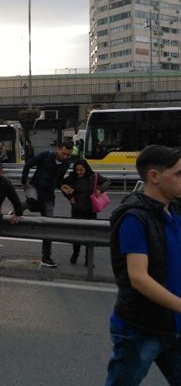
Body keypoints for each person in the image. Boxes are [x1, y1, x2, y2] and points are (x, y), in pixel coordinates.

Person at [105, 145, 181, 385]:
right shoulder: (134, 218)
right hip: (141, 329)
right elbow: (139, 278)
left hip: (174, 326)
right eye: (178, 174)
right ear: (154, 176)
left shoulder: (173, 212)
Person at [21, 141, 73, 268]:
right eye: (63, 153)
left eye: (68, 155)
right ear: (58, 149)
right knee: (32, 201)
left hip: (48, 195)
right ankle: (17, 210)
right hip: (34, 187)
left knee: (48, 227)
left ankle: (46, 257)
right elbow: (28, 164)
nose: (65, 156)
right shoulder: (46, 155)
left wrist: (62, 187)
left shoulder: (66, 164)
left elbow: (58, 180)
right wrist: (24, 182)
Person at [60, 159, 110, 265]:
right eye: (77, 170)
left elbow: (107, 181)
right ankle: (75, 254)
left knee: (90, 236)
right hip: (77, 210)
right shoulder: (72, 177)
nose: (79, 172)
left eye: (81, 170)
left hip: (90, 210)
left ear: (86, 169)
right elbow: (62, 185)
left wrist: (100, 189)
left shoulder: (93, 177)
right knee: (76, 236)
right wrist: (70, 197)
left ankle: (88, 259)